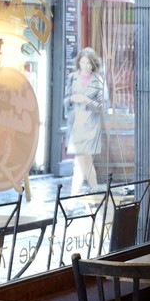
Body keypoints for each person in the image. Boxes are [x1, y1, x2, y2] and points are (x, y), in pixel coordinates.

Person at [64, 48, 106, 195]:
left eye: (88, 63)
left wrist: (87, 101)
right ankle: (95, 190)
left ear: (93, 64)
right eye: (83, 62)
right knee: (83, 162)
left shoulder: (98, 80)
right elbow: (66, 100)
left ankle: (74, 198)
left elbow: (102, 105)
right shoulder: (72, 77)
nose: (85, 65)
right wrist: (71, 99)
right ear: (79, 63)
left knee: (81, 162)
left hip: (90, 126)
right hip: (76, 125)